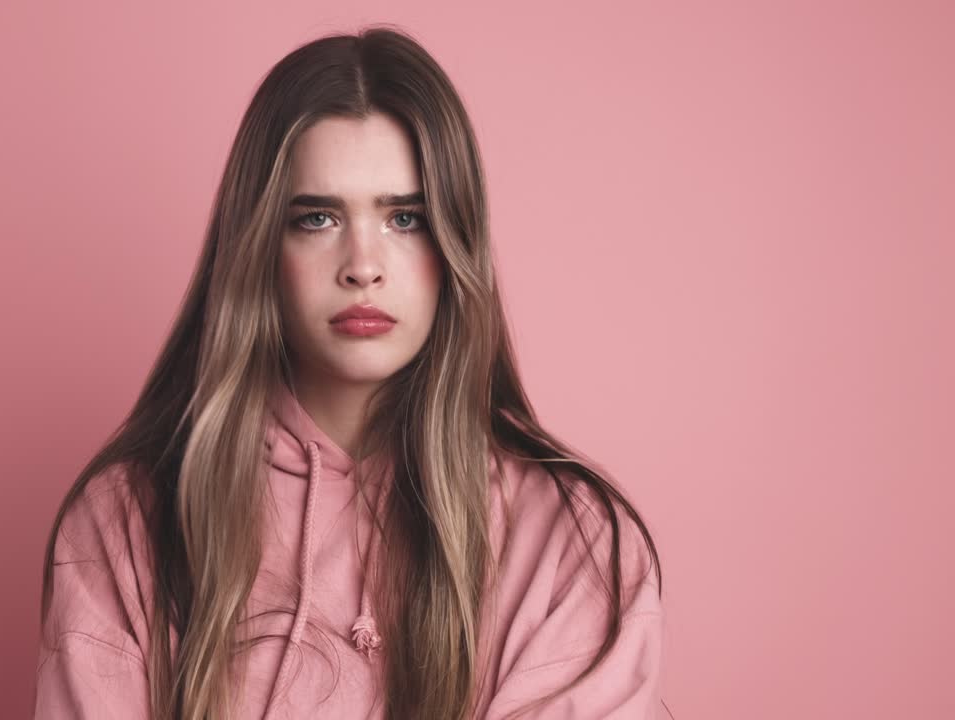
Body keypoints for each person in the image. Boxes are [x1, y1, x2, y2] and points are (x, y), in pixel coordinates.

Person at [33, 24, 667, 720]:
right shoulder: (127, 521)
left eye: (405, 218)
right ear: (258, 247)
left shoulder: (570, 540)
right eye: (316, 219)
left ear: (458, 242)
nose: (363, 265)